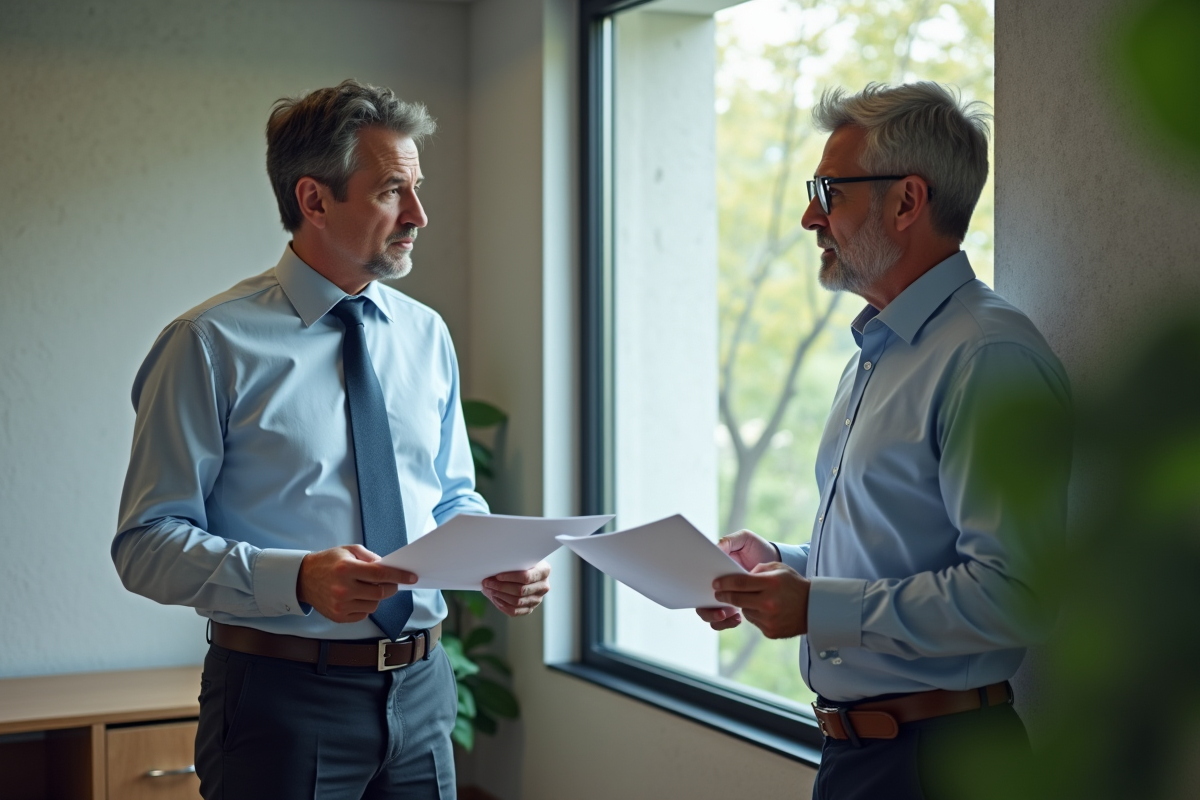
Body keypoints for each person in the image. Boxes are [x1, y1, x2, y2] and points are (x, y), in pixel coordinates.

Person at [112, 79, 550, 800]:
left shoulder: (425, 334)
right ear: (314, 200)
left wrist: (494, 558)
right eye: (391, 192)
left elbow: (447, 497)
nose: (420, 215)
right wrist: (300, 579)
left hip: (424, 691)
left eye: (418, 188)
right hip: (281, 700)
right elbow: (146, 545)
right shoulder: (209, 344)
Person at [697, 82, 1072, 799]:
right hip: (866, 758)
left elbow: (1017, 593)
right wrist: (782, 568)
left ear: (906, 202)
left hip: (940, 765)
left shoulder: (986, 357)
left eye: (829, 191)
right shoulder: (880, 351)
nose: (810, 215)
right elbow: (895, 552)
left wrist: (818, 606)